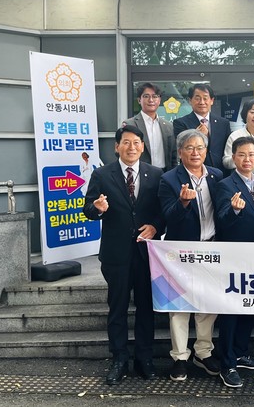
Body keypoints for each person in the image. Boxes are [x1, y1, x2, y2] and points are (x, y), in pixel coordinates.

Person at [82, 125, 163, 385]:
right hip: (116, 254)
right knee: (117, 308)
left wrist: (156, 227)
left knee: (146, 308)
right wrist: (97, 208)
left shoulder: (156, 174)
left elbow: (163, 210)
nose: (131, 147)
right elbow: (88, 209)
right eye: (126, 142)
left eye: (136, 142)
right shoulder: (102, 174)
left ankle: (144, 359)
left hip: (145, 253)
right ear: (117, 147)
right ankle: (119, 359)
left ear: (143, 146)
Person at [157, 129, 223, 382]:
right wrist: (183, 202)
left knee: (208, 303)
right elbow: (167, 216)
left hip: (211, 248)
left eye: (200, 147)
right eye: (190, 148)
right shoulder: (169, 179)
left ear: (206, 151)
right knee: (179, 305)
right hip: (180, 252)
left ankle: (203, 352)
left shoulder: (217, 175)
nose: (195, 152)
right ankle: (180, 357)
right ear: (180, 152)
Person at [214, 137, 254, 388]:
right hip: (234, 256)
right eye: (242, 155)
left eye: (251, 154)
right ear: (234, 158)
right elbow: (222, 219)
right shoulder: (225, 185)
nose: (247, 159)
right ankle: (227, 363)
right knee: (231, 310)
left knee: (250, 306)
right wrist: (234, 210)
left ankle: (240, 352)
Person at [173, 84, 230, 174]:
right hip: (194, 172)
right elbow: (182, 148)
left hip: (221, 173)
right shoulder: (180, 123)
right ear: (190, 100)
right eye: (197, 98)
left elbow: (227, 150)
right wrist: (198, 135)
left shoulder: (223, 123)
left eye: (205, 98)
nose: (202, 102)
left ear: (212, 101)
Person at [123, 82, 176, 171]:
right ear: (139, 100)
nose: (151, 100)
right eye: (146, 96)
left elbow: (173, 154)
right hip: (140, 173)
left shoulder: (168, 126)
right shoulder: (130, 124)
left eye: (155, 96)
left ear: (159, 100)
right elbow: (123, 152)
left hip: (165, 173)